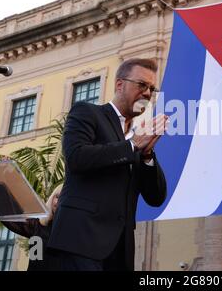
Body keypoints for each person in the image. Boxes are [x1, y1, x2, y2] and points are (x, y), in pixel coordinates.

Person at [48, 58, 168, 271]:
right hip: (80, 240)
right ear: (119, 84)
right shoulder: (87, 112)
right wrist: (132, 146)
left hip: (120, 251)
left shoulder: (139, 138)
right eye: (142, 85)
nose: (148, 94)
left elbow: (156, 197)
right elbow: (77, 157)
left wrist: (147, 155)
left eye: (152, 89)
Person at [2, 185, 63, 271]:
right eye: (57, 197)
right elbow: (10, 218)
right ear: (52, 198)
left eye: (63, 198)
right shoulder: (38, 225)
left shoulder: (73, 232)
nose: (57, 202)